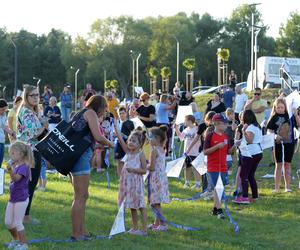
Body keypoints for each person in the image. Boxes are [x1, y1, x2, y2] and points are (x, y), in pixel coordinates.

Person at [69, 95, 114, 240]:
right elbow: (98, 136)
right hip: (80, 156)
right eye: (104, 108)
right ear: (99, 106)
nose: (104, 112)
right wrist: (112, 144)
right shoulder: (91, 113)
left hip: (76, 156)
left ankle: (83, 231)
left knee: (83, 195)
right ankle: (76, 234)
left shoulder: (81, 112)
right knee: (80, 197)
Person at [17, 85, 48, 224]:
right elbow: (33, 133)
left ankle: (23, 214)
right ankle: (24, 216)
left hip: (32, 150)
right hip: (29, 152)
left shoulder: (32, 111)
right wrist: (44, 127)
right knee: (29, 184)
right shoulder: (26, 112)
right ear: (26, 97)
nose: (36, 98)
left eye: (37, 95)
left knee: (30, 183)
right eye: (33, 95)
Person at [114, 124, 148, 236]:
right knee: (132, 206)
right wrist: (116, 128)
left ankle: (144, 230)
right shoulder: (128, 152)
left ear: (140, 144)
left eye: (133, 141)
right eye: (129, 140)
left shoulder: (140, 154)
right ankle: (135, 228)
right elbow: (120, 139)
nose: (130, 142)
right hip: (128, 184)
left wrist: (133, 170)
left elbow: (144, 170)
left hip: (136, 184)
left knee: (140, 206)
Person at [203, 114, 236, 219]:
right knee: (218, 188)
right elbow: (205, 152)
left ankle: (214, 209)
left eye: (226, 123)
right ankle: (219, 210)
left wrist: (235, 145)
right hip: (213, 167)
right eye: (224, 123)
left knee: (220, 188)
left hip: (223, 167)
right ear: (216, 124)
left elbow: (229, 152)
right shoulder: (210, 136)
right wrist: (217, 146)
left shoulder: (226, 136)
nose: (226, 125)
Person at [5, 141, 34, 250]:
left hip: (21, 199)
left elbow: (16, 179)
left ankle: (24, 244)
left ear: (21, 154)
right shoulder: (15, 165)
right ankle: (15, 239)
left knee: (17, 222)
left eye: (13, 153)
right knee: (8, 222)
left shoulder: (24, 167)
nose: (10, 155)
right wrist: (9, 170)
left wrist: (10, 171)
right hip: (13, 198)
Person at [266, 98, 300, 193]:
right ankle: (276, 187)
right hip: (278, 144)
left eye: (282, 107)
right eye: (278, 107)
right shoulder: (273, 117)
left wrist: (296, 114)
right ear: (275, 108)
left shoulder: (290, 115)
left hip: (289, 143)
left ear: (285, 107)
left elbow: (299, 124)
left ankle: (287, 187)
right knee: (279, 164)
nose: (280, 109)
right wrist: (275, 136)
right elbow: (269, 131)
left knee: (287, 164)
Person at [233, 110, 263, 204]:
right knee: (250, 175)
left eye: (242, 118)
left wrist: (243, 130)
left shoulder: (250, 127)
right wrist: (240, 141)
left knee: (244, 175)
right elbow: (248, 140)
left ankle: (245, 197)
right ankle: (255, 196)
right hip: (257, 152)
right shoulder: (256, 126)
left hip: (250, 153)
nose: (241, 120)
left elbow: (249, 140)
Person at [186, 111, 216, 192]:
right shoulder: (202, 126)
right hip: (204, 150)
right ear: (207, 119)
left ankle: (211, 189)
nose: (212, 122)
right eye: (211, 120)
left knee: (211, 170)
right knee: (203, 170)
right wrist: (189, 148)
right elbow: (196, 138)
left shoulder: (216, 126)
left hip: (213, 150)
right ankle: (205, 189)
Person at [147, 126, 170, 231]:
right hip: (161, 179)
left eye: (150, 137)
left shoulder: (154, 151)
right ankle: (156, 223)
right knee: (157, 201)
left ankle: (163, 224)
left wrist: (144, 166)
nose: (148, 139)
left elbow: (151, 167)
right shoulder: (162, 149)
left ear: (157, 139)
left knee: (156, 202)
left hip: (156, 179)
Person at [175, 115, 201, 189]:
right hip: (186, 152)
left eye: (185, 120)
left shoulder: (196, 129)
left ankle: (197, 183)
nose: (184, 122)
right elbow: (181, 137)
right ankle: (187, 183)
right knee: (186, 167)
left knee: (195, 167)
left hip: (195, 152)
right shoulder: (186, 129)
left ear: (189, 121)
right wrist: (176, 128)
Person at [114, 107, 135, 177]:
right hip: (118, 143)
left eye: (123, 113)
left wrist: (124, 135)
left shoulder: (130, 123)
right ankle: (120, 177)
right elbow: (114, 133)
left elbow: (133, 134)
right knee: (119, 161)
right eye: (120, 113)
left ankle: (125, 176)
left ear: (126, 114)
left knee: (125, 161)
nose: (121, 115)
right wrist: (115, 134)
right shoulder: (117, 123)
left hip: (127, 144)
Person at [0, 99, 16, 168]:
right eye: (3, 109)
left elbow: (5, 127)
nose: (4, 112)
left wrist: (13, 133)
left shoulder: (3, 115)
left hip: (1, 142)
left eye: (5, 110)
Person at [225, 108, 238, 175]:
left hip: (232, 139)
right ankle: (227, 168)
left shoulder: (235, 122)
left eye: (233, 114)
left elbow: (233, 128)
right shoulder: (224, 121)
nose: (233, 115)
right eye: (231, 114)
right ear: (228, 115)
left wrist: (233, 121)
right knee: (227, 154)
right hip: (225, 139)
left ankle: (231, 168)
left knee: (232, 154)